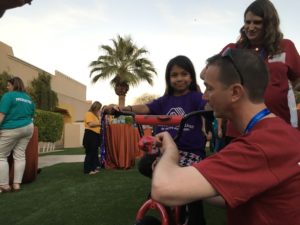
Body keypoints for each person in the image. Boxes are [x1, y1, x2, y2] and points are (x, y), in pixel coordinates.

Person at [151, 49, 300, 225]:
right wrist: (193, 183)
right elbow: (238, 192)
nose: (205, 96)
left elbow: (164, 189)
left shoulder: (258, 146)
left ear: (235, 92)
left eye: (209, 88)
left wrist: (169, 150)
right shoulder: (278, 134)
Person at [105, 55, 207, 225]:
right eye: (174, 75)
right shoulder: (164, 101)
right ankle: (163, 201)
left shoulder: (196, 97)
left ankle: (193, 214)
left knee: (191, 189)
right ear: (168, 78)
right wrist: (123, 109)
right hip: (165, 151)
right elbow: (146, 108)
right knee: (146, 164)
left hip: (190, 152)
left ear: (191, 77)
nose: (179, 78)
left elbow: (209, 105)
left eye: (184, 74)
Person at [218, 0, 300, 143]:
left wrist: (283, 93)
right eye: (247, 22)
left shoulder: (285, 46)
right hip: (239, 129)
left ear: (269, 24)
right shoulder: (233, 50)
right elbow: (207, 74)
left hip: (280, 126)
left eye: (257, 22)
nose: (250, 27)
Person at [0, 76, 35, 192]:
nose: (7, 87)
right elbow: (32, 116)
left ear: (14, 85)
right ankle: (16, 184)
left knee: (1, 155)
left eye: (8, 85)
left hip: (12, 128)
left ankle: (4, 185)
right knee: (20, 155)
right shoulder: (28, 98)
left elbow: (2, 115)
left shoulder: (8, 96)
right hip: (28, 128)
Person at [83, 101, 102, 175]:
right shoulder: (89, 114)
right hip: (90, 135)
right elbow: (90, 124)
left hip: (95, 135)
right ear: (95, 107)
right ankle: (87, 170)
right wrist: (100, 123)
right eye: (99, 108)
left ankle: (93, 168)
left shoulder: (95, 115)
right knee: (90, 153)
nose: (99, 110)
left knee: (94, 153)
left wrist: (99, 117)